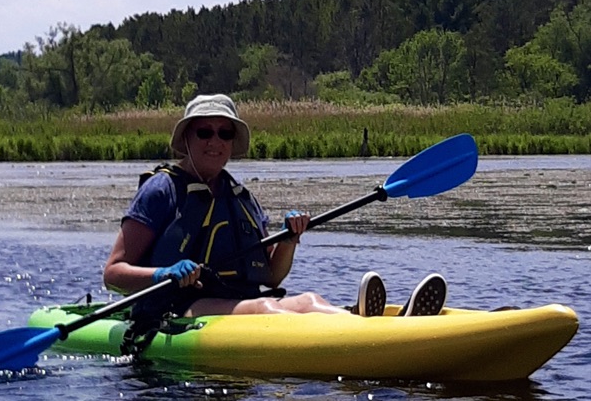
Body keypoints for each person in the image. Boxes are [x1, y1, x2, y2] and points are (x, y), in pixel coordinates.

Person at [103, 94, 447, 325]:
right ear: (188, 139)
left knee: (310, 297)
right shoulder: (161, 190)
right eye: (205, 131)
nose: (215, 141)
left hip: (238, 300)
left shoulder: (240, 196)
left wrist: (289, 240)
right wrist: (163, 273)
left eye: (224, 133)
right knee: (267, 308)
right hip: (177, 309)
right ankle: (374, 333)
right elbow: (113, 273)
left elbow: (270, 276)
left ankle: (366, 326)